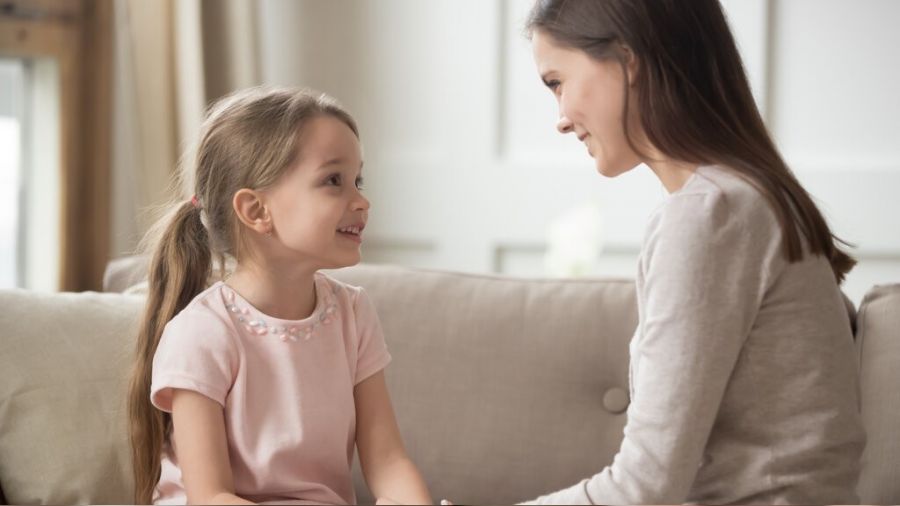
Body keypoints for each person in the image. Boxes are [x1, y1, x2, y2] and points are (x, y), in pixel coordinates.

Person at [522, 0, 866, 503]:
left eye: (557, 83)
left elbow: (643, 488)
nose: (561, 119)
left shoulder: (710, 214)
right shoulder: (753, 199)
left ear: (627, 59)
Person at [126, 87, 432, 505]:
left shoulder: (353, 313)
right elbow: (211, 496)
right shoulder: (201, 333)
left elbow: (389, 462)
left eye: (357, 180)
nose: (362, 201)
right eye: (333, 181)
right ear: (255, 211)